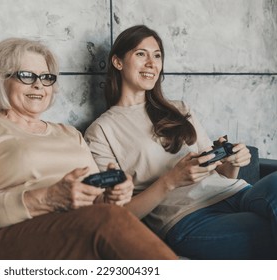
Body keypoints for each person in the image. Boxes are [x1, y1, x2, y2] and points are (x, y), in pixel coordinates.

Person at [0, 37, 177, 260]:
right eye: (26, 76)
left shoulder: (69, 133)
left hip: (73, 231)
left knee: (111, 216)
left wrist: (111, 194)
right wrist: (48, 198)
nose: (38, 84)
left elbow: (95, 203)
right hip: (1, 238)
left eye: (46, 77)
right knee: (110, 219)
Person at [84, 25, 277, 260]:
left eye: (157, 56)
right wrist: (170, 180)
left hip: (237, 193)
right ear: (118, 62)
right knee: (265, 230)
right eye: (141, 54)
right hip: (188, 219)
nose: (151, 63)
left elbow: (224, 175)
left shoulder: (180, 109)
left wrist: (233, 161)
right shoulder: (101, 131)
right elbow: (115, 215)